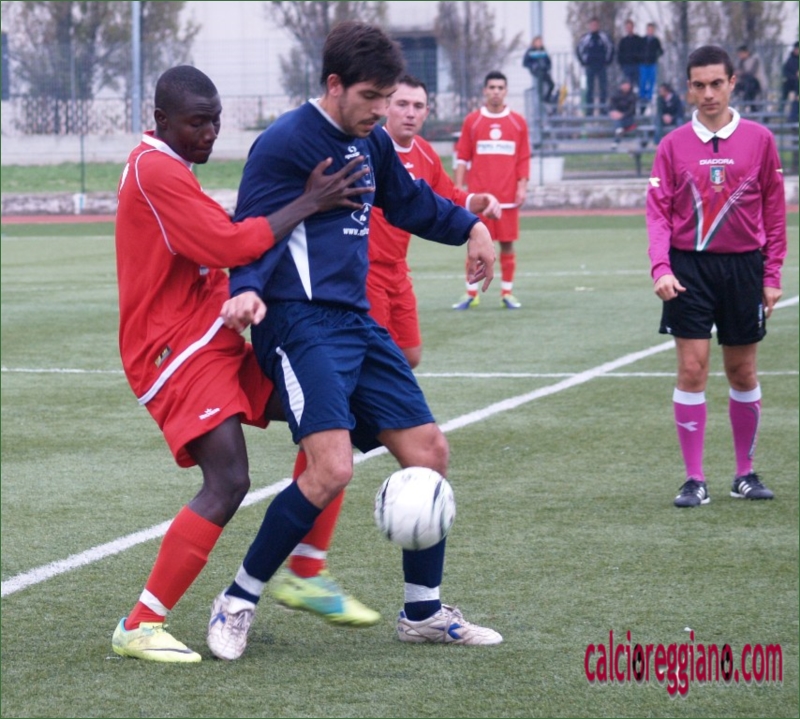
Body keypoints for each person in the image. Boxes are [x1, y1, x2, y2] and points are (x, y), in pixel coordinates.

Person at [205, 21, 501, 661]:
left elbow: (411, 202)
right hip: (298, 323)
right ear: (335, 85)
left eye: (388, 98)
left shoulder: (373, 142)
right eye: (371, 97)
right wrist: (247, 288)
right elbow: (252, 227)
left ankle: (422, 612)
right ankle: (237, 598)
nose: (381, 111)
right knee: (331, 468)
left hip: (356, 321)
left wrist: (470, 227)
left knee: (430, 452)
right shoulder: (285, 142)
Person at [110, 65, 379, 663]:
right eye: (196, 123)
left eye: (215, 121)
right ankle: (140, 624)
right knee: (228, 480)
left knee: (334, 414)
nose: (209, 133)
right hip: (176, 351)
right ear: (161, 120)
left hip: (215, 338)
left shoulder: (168, 165)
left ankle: (305, 570)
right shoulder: (155, 170)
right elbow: (232, 244)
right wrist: (309, 201)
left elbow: (224, 237)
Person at [645, 45, 787, 509]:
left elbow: (774, 210)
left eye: (716, 84)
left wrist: (772, 272)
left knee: (742, 371)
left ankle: (744, 473)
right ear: (689, 87)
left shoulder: (760, 140)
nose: (708, 93)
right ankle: (694, 478)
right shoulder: (672, 145)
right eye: (699, 85)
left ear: (732, 84)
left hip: (744, 267)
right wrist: (661, 267)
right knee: (692, 370)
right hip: (689, 267)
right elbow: (658, 213)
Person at [366, 74, 501, 368]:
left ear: (427, 112)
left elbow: (448, 196)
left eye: (418, 106)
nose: (410, 113)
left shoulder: (425, 152)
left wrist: (476, 201)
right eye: (402, 104)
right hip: (365, 268)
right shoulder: (370, 148)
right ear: (386, 106)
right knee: (375, 355)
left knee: (410, 354)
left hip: (398, 269)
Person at [451, 71, 530, 310]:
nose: (496, 91)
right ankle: (471, 294)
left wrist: (522, 186)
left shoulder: (517, 122)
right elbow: (462, 157)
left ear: (506, 91)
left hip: (507, 198)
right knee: (475, 245)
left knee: (507, 244)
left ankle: (507, 293)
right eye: (492, 87)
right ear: (485, 91)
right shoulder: (473, 121)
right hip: (480, 199)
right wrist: (458, 188)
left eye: (500, 88)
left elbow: (523, 158)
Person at [576, 16, 615, 115]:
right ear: (590, 26)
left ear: (598, 25)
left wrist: (608, 61)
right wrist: (583, 62)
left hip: (602, 66)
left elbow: (611, 47)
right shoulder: (586, 38)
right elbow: (578, 49)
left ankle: (603, 110)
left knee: (603, 88)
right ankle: (589, 111)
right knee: (590, 89)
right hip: (590, 66)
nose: (594, 26)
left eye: (596, 25)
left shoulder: (603, 36)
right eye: (592, 25)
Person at [733, 45, 768, 114]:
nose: (740, 56)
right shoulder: (741, 62)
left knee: (749, 85)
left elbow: (751, 73)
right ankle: (739, 103)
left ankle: (751, 106)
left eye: (741, 54)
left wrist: (740, 73)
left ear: (746, 52)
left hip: (756, 82)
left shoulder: (755, 60)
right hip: (745, 83)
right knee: (737, 86)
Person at [522, 36, 556, 105]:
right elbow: (525, 63)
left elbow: (548, 61)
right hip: (536, 71)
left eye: (540, 42)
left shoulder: (543, 51)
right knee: (540, 80)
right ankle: (541, 98)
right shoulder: (530, 51)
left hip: (544, 70)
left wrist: (547, 67)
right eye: (538, 42)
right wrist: (533, 65)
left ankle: (547, 98)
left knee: (552, 84)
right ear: (534, 42)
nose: (539, 43)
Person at [639, 22, 664, 112]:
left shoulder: (656, 40)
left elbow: (661, 51)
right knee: (643, 81)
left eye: (651, 29)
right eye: (648, 29)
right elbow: (638, 50)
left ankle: (649, 98)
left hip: (652, 64)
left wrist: (655, 55)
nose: (650, 31)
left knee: (651, 81)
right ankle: (642, 97)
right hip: (643, 64)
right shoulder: (642, 40)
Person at [608, 78, 638, 147]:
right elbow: (611, 106)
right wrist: (615, 112)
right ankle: (618, 135)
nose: (626, 87)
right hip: (617, 116)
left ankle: (616, 141)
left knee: (619, 123)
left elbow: (632, 110)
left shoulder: (632, 95)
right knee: (616, 120)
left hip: (628, 117)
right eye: (625, 85)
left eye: (627, 85)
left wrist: (623, 115)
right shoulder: (615, 94)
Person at [617, 19, 644, 89]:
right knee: (628, 85)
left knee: (639, 85)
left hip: (637, 66)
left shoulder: (639, 39)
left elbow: (643, 52)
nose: (629, 28)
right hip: (626, 66)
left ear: (633, 27)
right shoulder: (623, 41)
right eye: (627, 27)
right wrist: (621, 64)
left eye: (630, 27)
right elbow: (620, 53)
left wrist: (640, 60)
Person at [781, 41, 799, 121]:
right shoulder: (790, 60)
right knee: (786, 86)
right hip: (792, 81)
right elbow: (785, 71)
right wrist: (794, 76)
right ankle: (781, 107)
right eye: (796, 49)